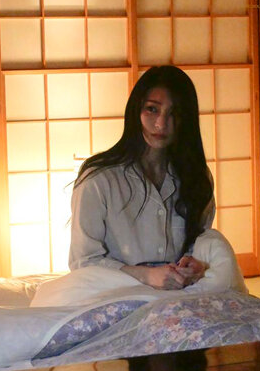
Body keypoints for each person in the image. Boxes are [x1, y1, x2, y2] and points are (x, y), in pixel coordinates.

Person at [69, 65, 214, 290]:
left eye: (174, 113)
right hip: (112, 294)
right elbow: (83, 262)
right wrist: (146, 276)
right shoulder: (99, 180)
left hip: (181, 294)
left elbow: (201, 244)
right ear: (136, 110)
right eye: (152, 109)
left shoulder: (196, 177)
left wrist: (196, 265)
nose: (161, 124)